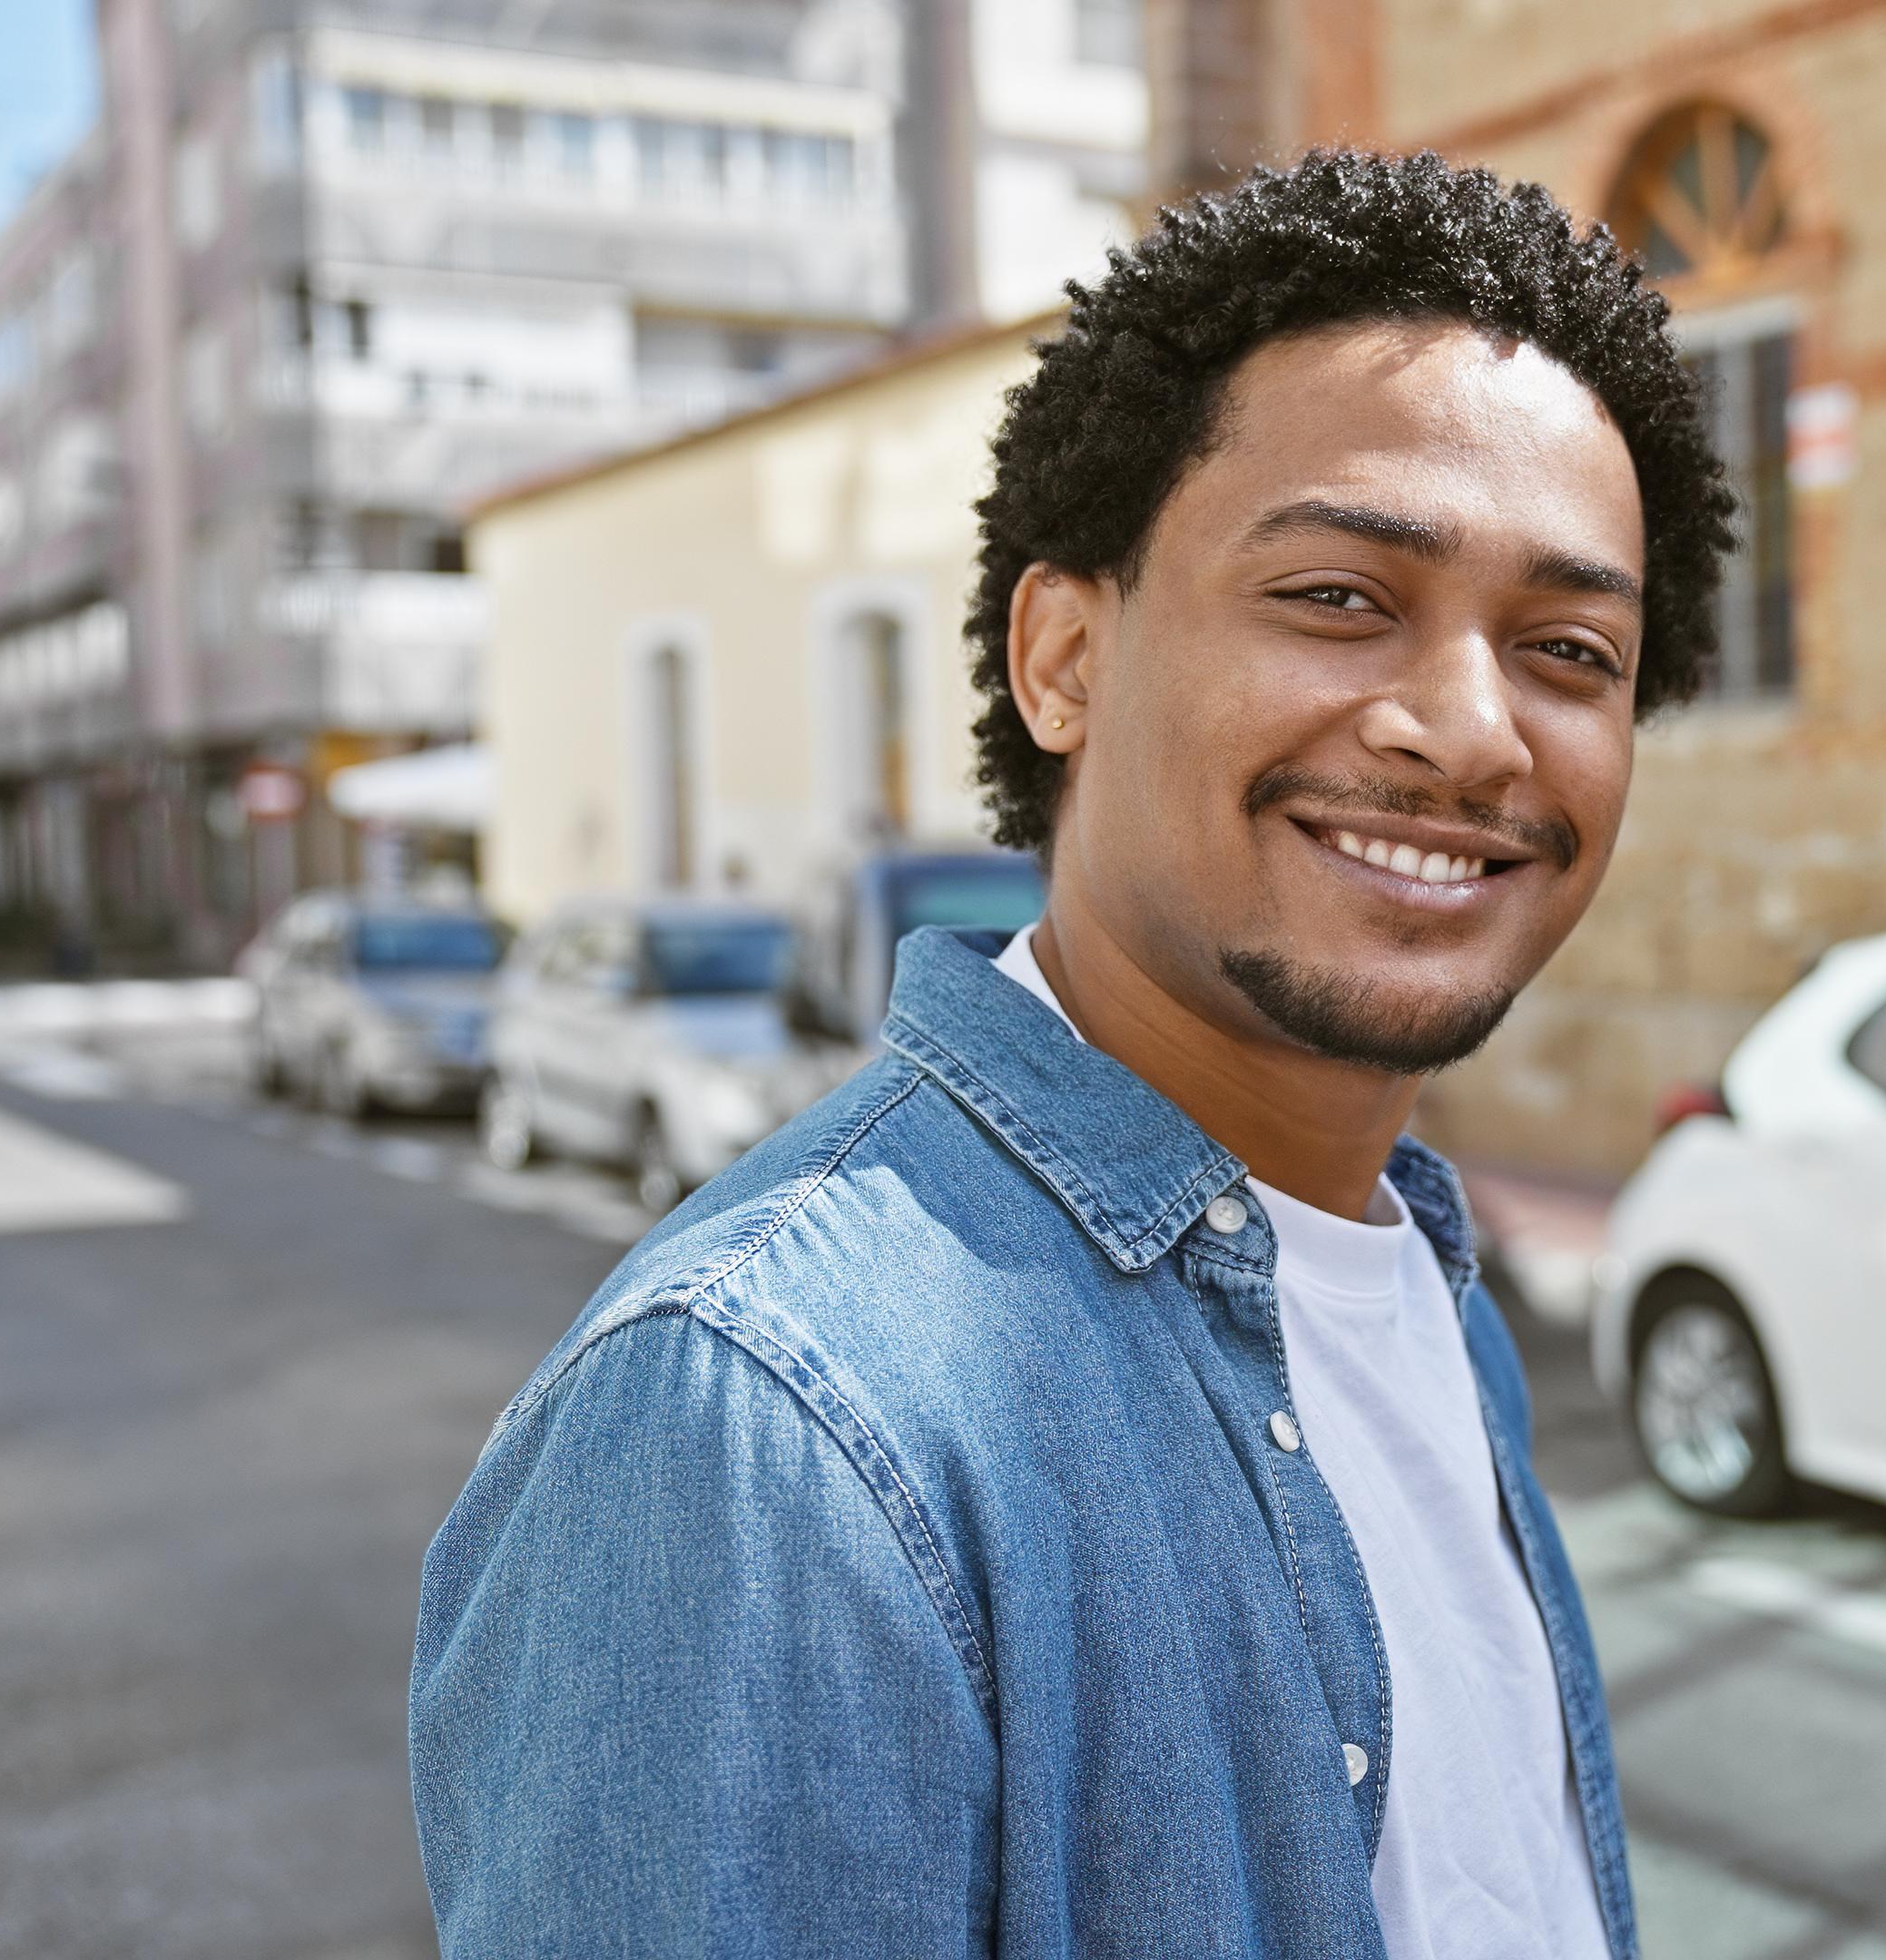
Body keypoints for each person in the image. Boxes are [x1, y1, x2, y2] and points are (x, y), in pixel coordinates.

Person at [408, 151, 1734, 1956]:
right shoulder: (771, 1421)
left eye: (1570, 648)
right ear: (1062, 659)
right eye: (1340, 597)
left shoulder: (1419, 1271)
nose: (1470, 732)